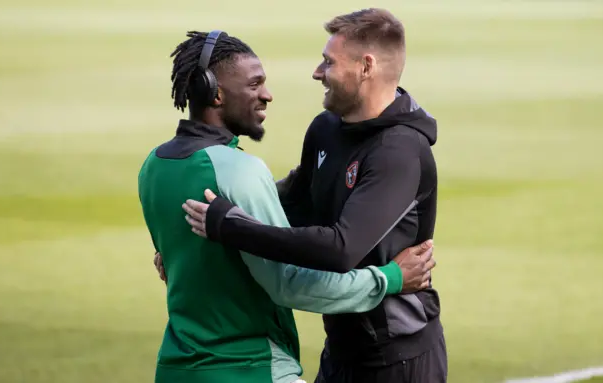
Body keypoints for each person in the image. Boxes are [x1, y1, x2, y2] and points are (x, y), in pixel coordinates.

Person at [138, 29, 436, 383]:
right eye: (254, 84)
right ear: (214, 93)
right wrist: (389, 278)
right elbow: (289, 284)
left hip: (175, 367)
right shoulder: (241, 171)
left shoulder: (154, 166)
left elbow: (174, 263)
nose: (267, 95)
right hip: (249, 368)